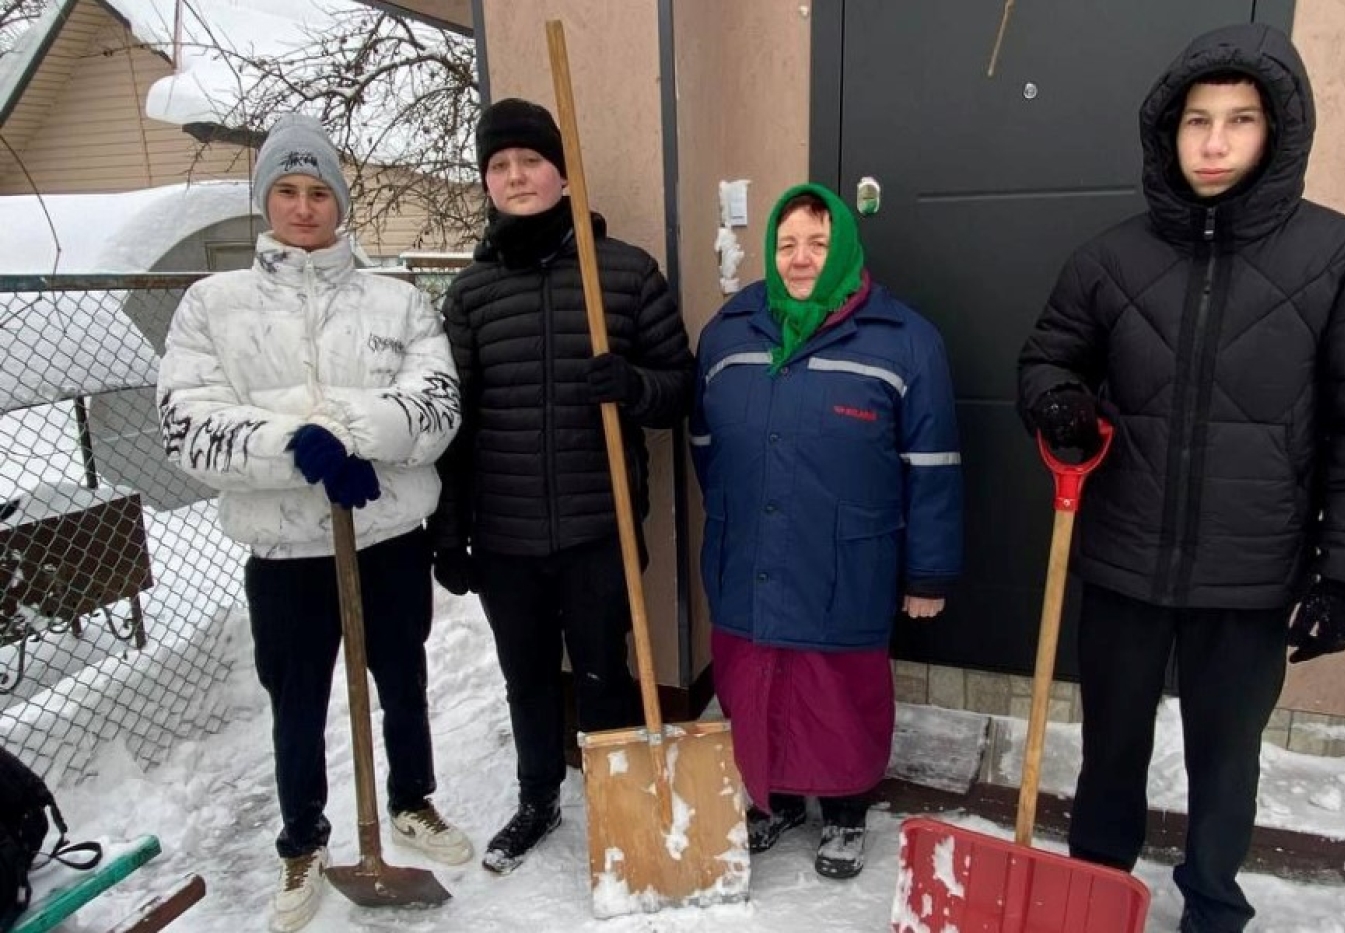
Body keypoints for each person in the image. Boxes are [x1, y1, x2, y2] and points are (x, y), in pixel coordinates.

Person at [1017, 24, 1345, 933]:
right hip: (1122, 564)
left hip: (1252, 573)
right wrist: (1059, 403)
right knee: (1110, 747)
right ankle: (1097, 895)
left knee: (1225, 761)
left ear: (1279, 133)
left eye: (1240, 120)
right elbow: (1045, 360)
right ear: (1168, 132)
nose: (1216, 142)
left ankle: (1214, 910)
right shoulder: (1110, 258)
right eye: (1197, 120)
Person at [157, 114, 470, 933]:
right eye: (287, 192)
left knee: (402, 680)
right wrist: (301, 444)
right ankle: (302, 838)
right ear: (267, 201)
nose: (303, 208)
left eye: (318, 191)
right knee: (297, 698)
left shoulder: (395, 300)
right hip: (287, 550)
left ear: (339, 201)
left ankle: (412, 802)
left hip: (387, 536)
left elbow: (436, 407)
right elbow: (188, 424)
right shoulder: (212, 305)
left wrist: (354, 438)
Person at [429, 98, 695, 874]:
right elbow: (453, 421)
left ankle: (617, 802)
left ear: (562, 172)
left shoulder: (625, 271)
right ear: (487, 181)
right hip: (505, 535)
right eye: (500, 166)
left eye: (530, 162)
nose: (516, 177)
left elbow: (681, 387)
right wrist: (449, 532)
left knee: (605, 671)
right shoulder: (472, 293)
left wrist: (634, 386)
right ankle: (538, 797)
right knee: (528, 677)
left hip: (597, 527)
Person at [690, 183, 963, 880]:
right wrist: (733, 508)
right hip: (747, 547)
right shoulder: (730, 330)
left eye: (817, 242)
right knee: (754, 683)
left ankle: (844, 811)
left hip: (846, 558)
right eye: (786, 244)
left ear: (842, 245)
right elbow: (704, 442)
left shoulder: (905, 340)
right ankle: (772, 797)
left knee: (839, 692)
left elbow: (933, 467)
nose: (801, 257)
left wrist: (927, 574)